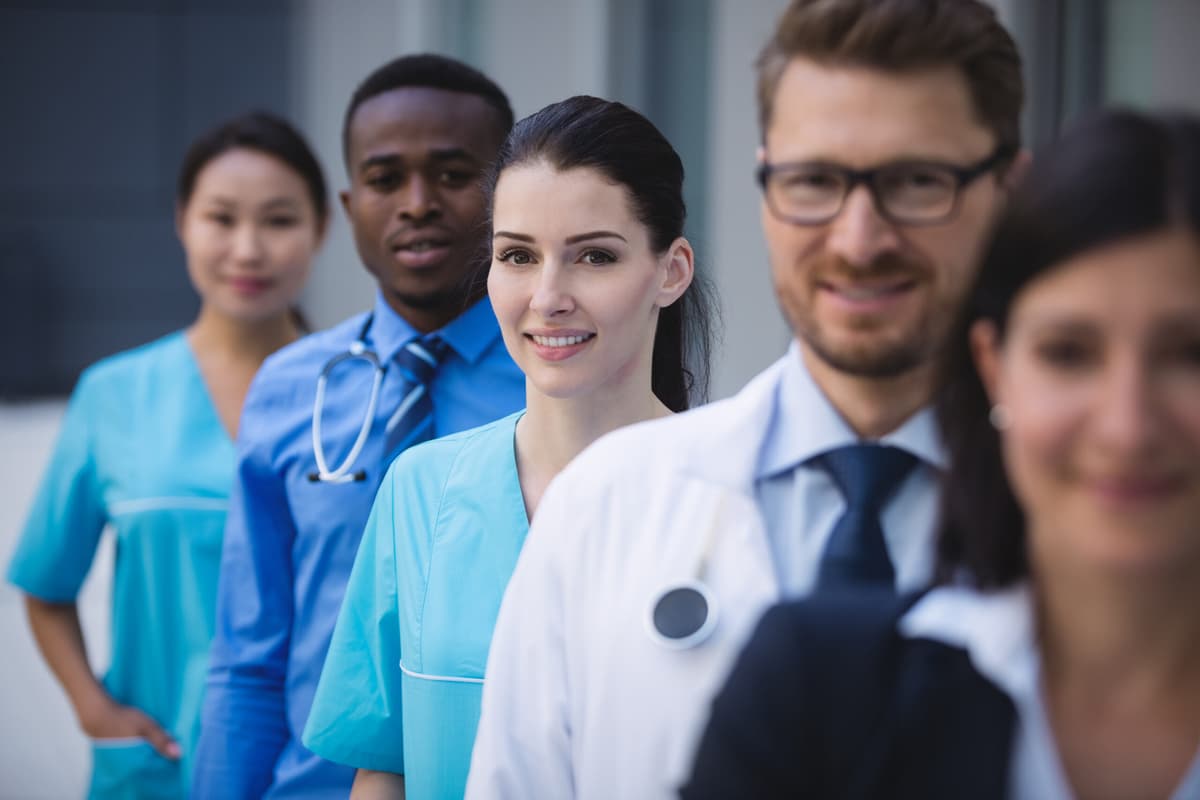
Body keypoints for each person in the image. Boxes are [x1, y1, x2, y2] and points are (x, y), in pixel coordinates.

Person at [466, 1, 1029, 797]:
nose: (859, 239)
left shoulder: (1105, 530)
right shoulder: (604, 507)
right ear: (767, 185)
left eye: (916, 182)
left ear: (1010, 190)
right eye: (815, 181)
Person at [682, 108, 1200, 800]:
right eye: (1069, 354)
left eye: (1190, 355)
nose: (1127, 427)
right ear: (994, 367)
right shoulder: (817, 692)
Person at [300, 95, 717, 800]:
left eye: (594, 256)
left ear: (671, 271)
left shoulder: (732, 497)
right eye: (518, 255)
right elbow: (384, 768)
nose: (547, 296)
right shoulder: (421, 489)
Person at [190, 55, 525, 800]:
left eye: (452, 173)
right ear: (348, 206)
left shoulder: (565, 385)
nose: (417, 203)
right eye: (383, 179)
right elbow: (249, 656)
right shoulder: (288, 388)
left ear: (512, 194)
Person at [7, 110, 327, 798]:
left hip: (319, 770)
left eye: (278, 220)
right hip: (161, 766)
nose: (248, 249)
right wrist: (93, 709)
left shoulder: (360, 392)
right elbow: (45, 586)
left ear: (323, 229)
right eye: (221, 218)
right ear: (183, 221)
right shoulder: (114, 393)